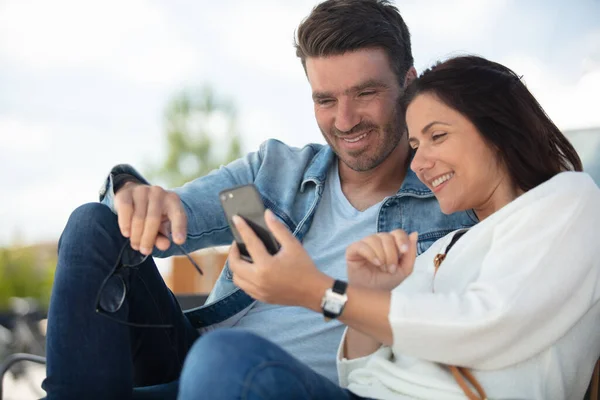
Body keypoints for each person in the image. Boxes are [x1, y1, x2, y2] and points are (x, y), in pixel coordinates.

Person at [41, 1, 477, 399]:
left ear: (408, 83)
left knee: (225, 362)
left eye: (365, 93)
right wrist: (133, 192)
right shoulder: (274, 174)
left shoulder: (454, 199)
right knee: (93, 224)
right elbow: (163, 218)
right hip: (197, 370)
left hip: (306, 388)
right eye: (325, 99)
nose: (344, 121)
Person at [177, 55, 600, 400]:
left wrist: (315, 291)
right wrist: (369, 295)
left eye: (437, 136)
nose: (419, 162)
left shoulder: (567, 200)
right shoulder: (448, 245)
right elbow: (359, 374)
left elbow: (486, 324)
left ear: (498, 130)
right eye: (415, 145)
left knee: (222, 359)